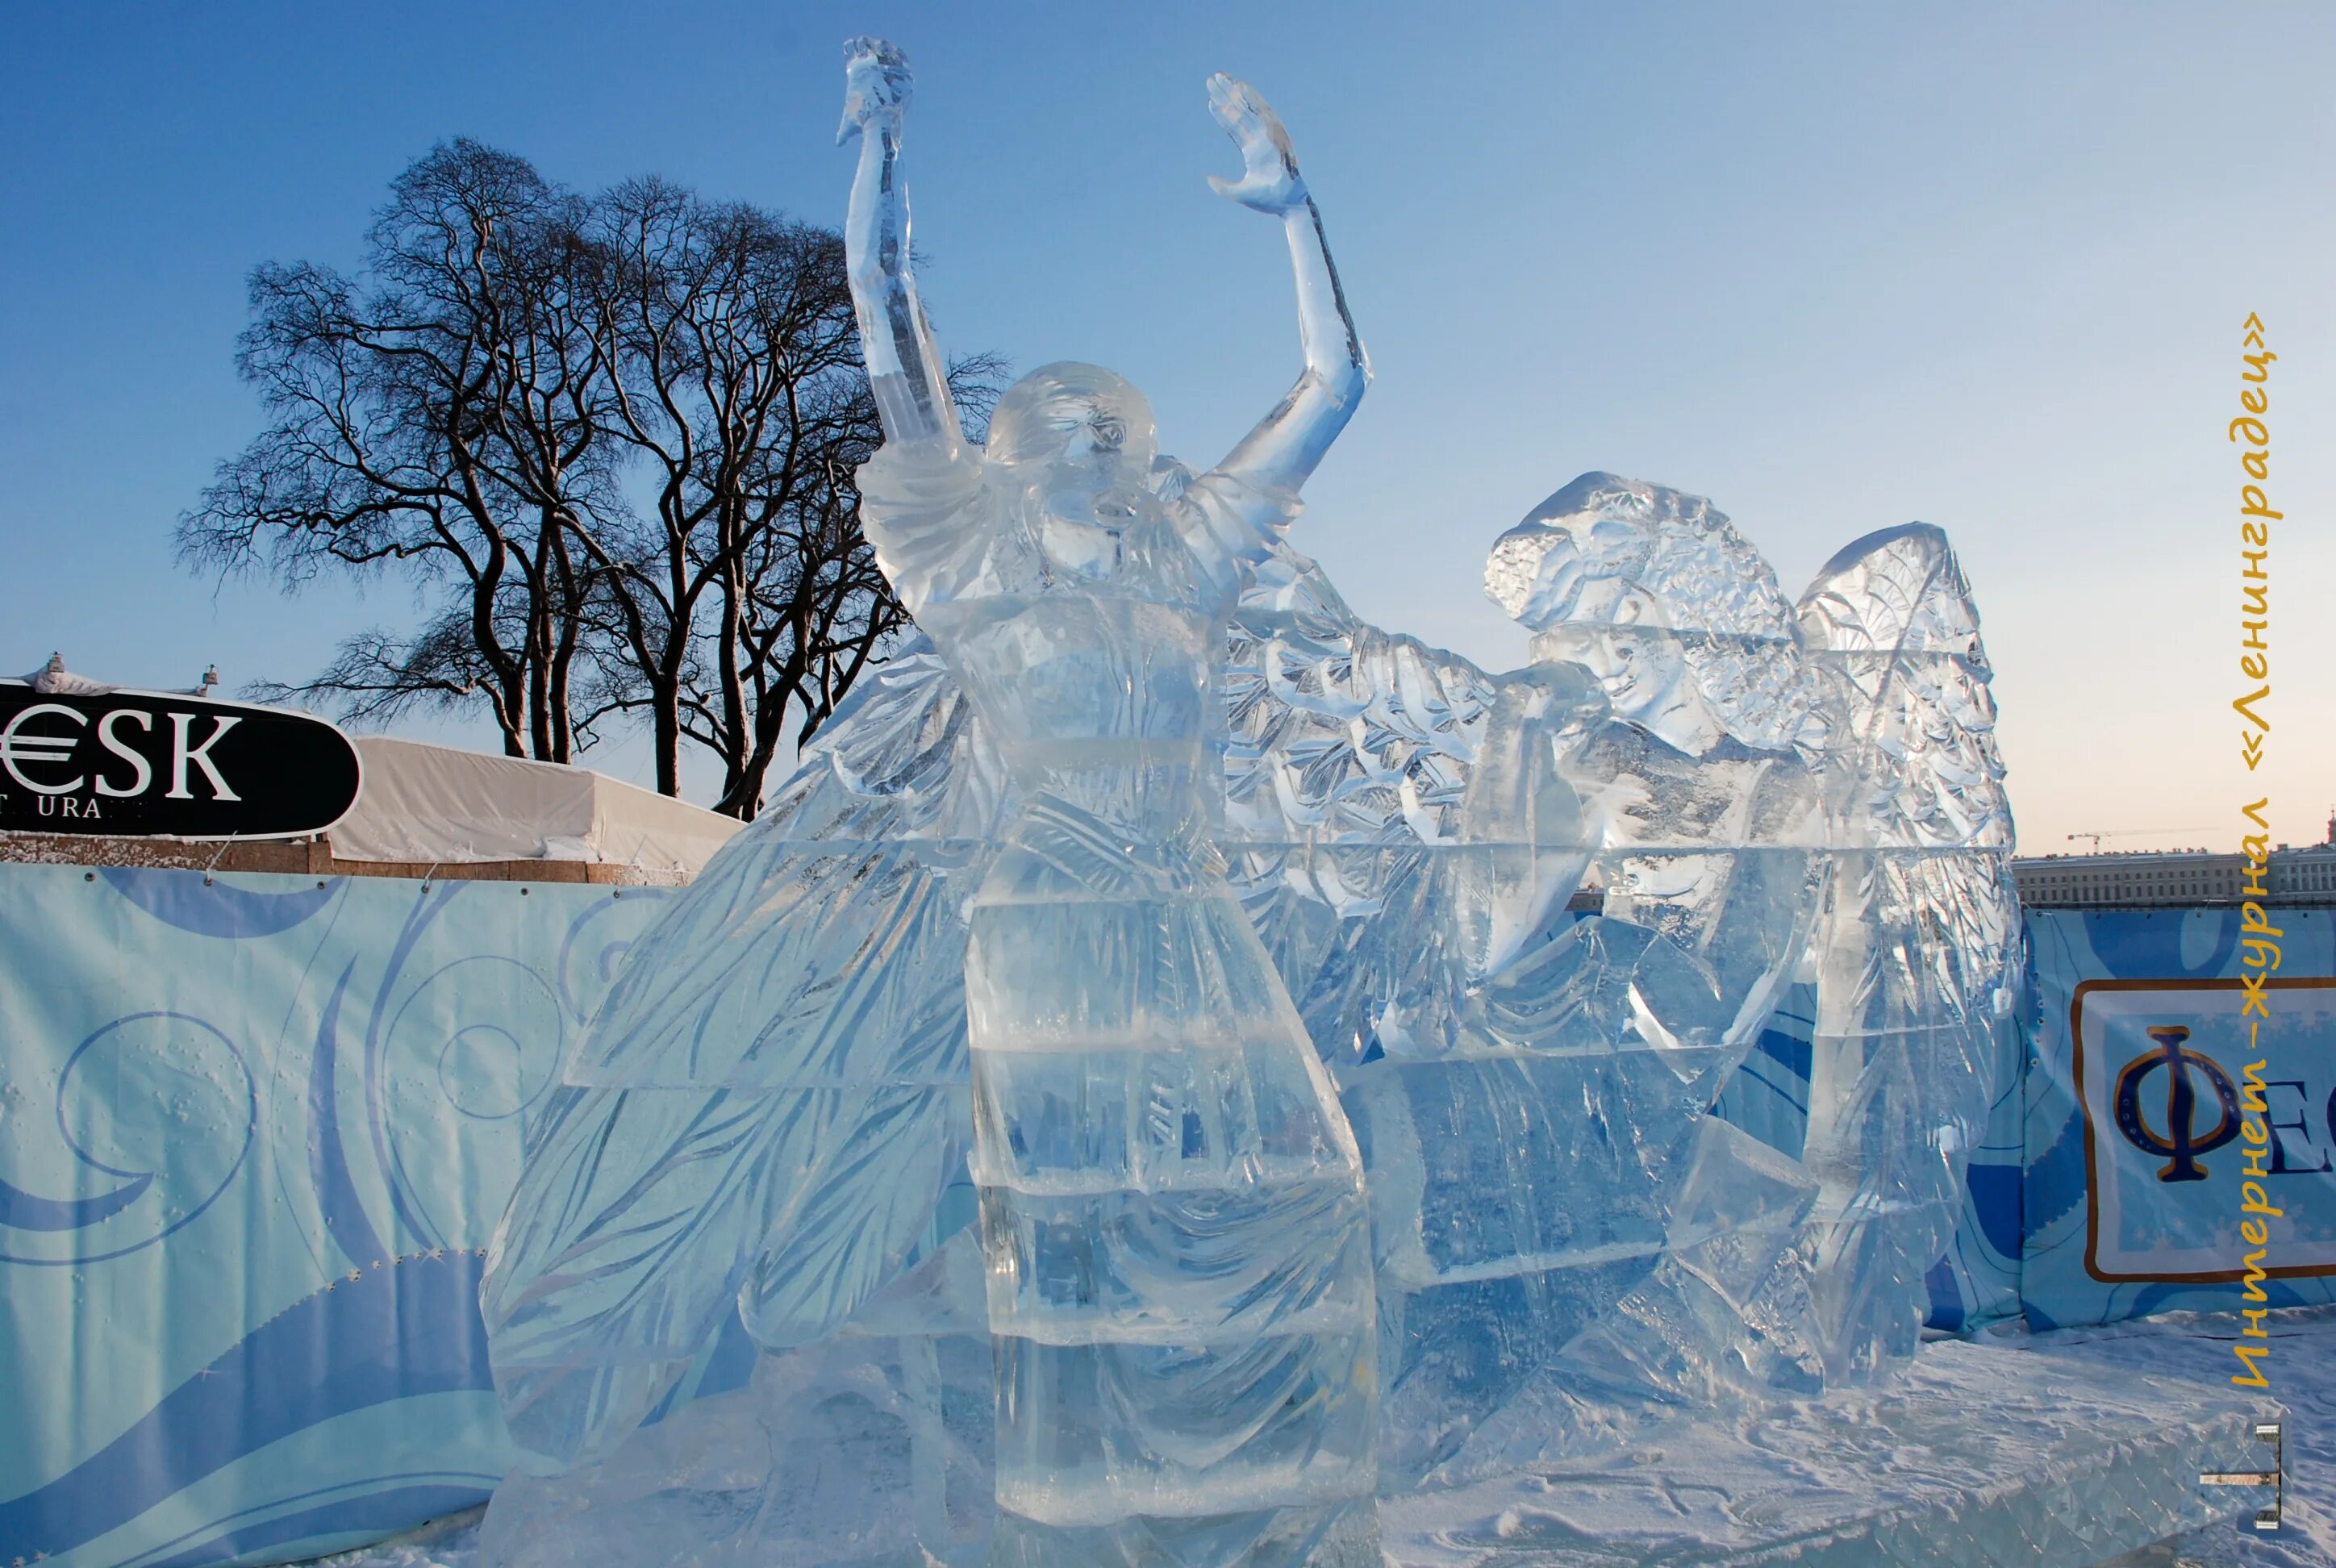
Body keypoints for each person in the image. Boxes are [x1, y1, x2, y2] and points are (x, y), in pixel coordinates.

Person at [838, 36, 1382, 1566]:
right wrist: (877, 165)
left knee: (1306, 1181)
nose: (1091, 433)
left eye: (1112, 421)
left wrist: (1297, 214)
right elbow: (891, 334)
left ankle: (1271, 1522)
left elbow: (1337, 384)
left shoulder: (1185, 562)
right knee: (1068, 1237)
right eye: (1059, 418)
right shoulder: (969, 561)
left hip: (1186, 912)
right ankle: (1080, 1533)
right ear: (1012, 449)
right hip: (1049, 923)